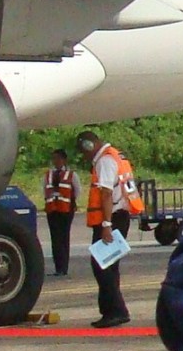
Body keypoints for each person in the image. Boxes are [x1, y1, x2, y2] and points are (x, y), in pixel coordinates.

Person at [77, 129, 137, 328]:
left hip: (112, 219)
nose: (84, 157)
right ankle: (110, 311)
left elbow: (106, 194)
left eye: (83, 151)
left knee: (102, 265)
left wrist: (106, 225)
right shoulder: (115, 155)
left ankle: (117, 311)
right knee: (109, 265)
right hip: (118, 217)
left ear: (88, 146)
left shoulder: (105, 161)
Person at [42, 148, 76, 277]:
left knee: (63, 237)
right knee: (55, 238)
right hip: (52, 209)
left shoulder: (71, 174)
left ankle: (64, 267)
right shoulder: (48, 175)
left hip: (66, 209)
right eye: (54, 159)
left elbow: (76, 190)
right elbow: (44, 189)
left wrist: (72, 203)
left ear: (64, 160)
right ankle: (58, 267)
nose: (55, 161)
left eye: (58, 158)